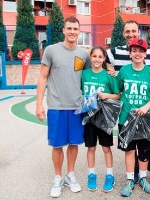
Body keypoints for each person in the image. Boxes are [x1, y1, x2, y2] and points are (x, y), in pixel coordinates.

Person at [36, 16, 90, 198]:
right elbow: (43, 77)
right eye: (69, 28)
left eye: (75, 29)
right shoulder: (51, 50)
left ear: (79, 31)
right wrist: (39, 104)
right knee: (57, 144)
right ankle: (58, 177)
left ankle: (70, 175)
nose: (72, 32)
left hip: (76, 107)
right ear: (64, 30)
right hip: (56, 106)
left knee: (74, 143)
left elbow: (91, 77)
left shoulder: (84, 54)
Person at [106, 20, 150, 185]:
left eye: (133, 31)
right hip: (127, 115)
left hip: (147, 113)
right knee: (130, 149)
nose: (130, 34)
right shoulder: (120, 60)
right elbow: (98, 58)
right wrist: (107, 72)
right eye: (127, 32)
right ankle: (133, 176)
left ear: (139, 31)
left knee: (147, 148)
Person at [117, 38, 150, 197]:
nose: (137, 53)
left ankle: (142, 178)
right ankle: (129, 180)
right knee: (129, 150)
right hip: (126, 119)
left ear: (145, 54)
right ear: (130, 53)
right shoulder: (124, 71)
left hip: (146, 119)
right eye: (134, 50)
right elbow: (117, 92)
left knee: (144, 151)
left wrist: (146, 106)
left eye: (141, 51)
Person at [81, 46, 120, 193]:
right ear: (90, 57)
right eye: (94, 56)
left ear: (104, 59)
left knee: (106, 147)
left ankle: (110, 176)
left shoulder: (108, 76)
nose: (97, 59)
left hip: (104, 118)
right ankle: (92, 175)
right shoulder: (84, 75)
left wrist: (106, 95)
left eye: (100, 57)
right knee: (91, 147)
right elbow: (79, 93)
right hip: (89, 117)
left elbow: (117, 95)